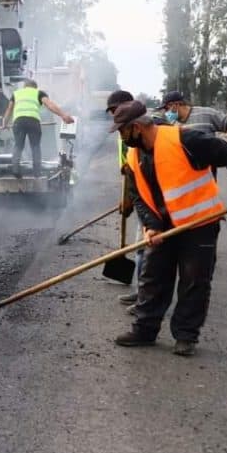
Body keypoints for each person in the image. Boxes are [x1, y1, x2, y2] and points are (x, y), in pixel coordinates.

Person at [109, 100, 227, 356]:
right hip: (164, 227)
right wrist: (151, 226)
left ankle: (185, 336)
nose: (121, 137)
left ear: (136, 127)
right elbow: (140, 196)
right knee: (152, 278)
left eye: (122, 131)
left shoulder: (186, 139)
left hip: (199, 224)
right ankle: (144, 330)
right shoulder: (134, 155)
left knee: (194, 281)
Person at [106, 90, 146, 314]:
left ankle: (145, 297)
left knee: (144, 248)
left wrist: (130, 198)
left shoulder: (137, 128)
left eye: (113, 110)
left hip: (146, 195)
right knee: (142, 247)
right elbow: (128, 166)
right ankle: (142, 292)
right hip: (134, 187)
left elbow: (140, 168)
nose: (112, 115)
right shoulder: (126, 127)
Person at [1, 79, 74, 178]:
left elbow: (9, 109)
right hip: (33, 121)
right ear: (35, 87)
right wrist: (63, 115)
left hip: (18, 122)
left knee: (18, 145)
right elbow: (50, 105)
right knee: (35, 146)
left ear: (25, 87)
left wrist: (4, 124)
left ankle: (15, 169)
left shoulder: (16, 94)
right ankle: (37, 172)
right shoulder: (39, 93)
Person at [157, 91, 227, 143]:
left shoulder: (205, 114)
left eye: (166, 108)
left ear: (176, 104)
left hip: (206, 169)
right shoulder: (170, 124)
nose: (166, 112)